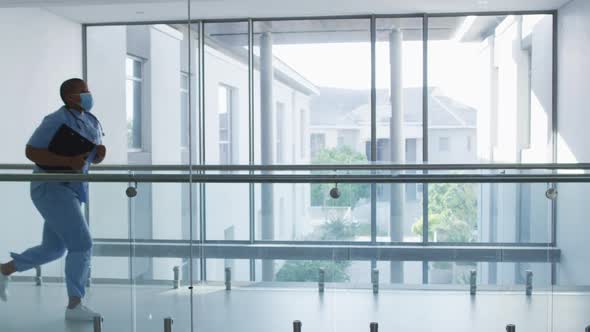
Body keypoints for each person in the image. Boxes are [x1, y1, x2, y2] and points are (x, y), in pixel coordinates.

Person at [0, 78, 106, 321]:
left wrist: (98, 155)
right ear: (70, 97)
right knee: (82, 243)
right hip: (51, 188)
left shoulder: (91, 120)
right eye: (84, 91)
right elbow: (32, 151)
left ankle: (4, 270)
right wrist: (68, 162)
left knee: (55, 248)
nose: (89, 94)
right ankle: (74, 306)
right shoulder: (55, 120)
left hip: (72, 189)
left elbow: (86, 156)